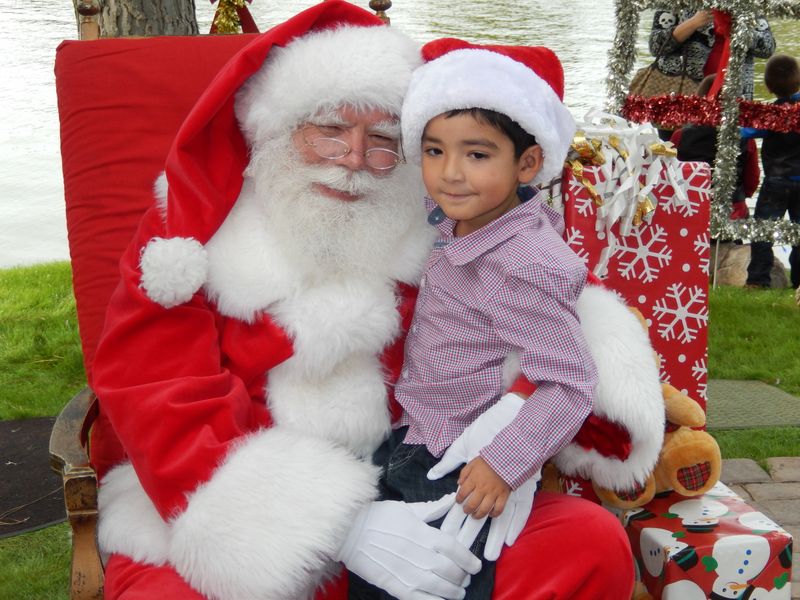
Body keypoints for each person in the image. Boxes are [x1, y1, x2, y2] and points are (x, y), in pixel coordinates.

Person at [90, 2, 655, 598]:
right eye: (329, 132)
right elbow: (156, 393)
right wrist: (338, 524)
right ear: (277, 131)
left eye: (382, 140)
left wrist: (515, 424)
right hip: (236, 512)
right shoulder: (187, 245)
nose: (356, 160)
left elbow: (529, 309)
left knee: (587, 543)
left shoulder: (434, 226)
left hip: (417, 482)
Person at [349, 39, 597, 600]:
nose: (450, 174)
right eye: (434, 151)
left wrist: (503, 463)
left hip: (455, 458)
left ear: (528, 163)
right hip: (414, 434)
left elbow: (571, 381)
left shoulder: (523, 262)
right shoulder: (466, 217)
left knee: (427, 581)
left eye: (477, 155)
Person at [648, 9, 774, 139]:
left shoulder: (744, 6)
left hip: (731, 96)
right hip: (680, 95)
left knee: (729, 153)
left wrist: (739, 31)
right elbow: (655, 46)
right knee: (675, 151)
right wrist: (692, 23)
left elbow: (767, 47)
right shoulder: (676, 4)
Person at [671, 74, 760, 230]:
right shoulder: (746, 139)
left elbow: (669, 174)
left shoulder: (680, 136)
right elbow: (751, 181)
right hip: (733, 211)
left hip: (690, 210)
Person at [744, 54, 800, 289]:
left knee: (762, 231)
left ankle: (758, 279)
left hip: (775, 181)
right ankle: (798, 281)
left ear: (768, 87)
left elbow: (745, 132)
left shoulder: (769, 114)